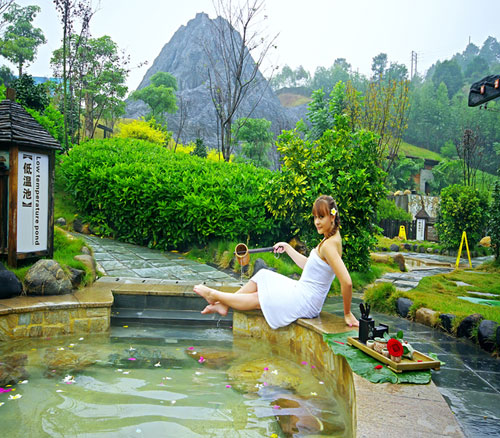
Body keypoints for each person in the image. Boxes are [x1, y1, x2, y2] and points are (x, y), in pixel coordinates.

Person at [193, 195, 359, 328]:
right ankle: (224, 305)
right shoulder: (330, 238)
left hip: (306, 301)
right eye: (315, 217)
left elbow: (347, 282)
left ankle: (215, 295)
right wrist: (287, 247)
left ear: (332, 216)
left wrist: (347, 313)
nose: (316, 222)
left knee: (262, 298)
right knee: (263, 276)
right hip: (302, 290)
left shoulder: (330, 245)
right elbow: (311, 266)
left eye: (321, 217)